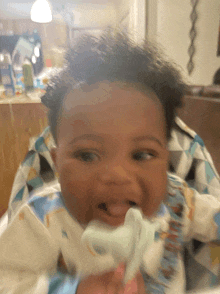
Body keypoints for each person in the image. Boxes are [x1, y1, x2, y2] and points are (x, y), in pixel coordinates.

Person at [0, 30, 220, 294]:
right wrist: (73, 289)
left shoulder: (177, 202)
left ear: (166, 160)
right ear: (57, 164)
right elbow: (8, 281)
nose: (117, 175)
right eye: (87, 155)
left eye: (142, 155)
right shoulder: (42, 218)